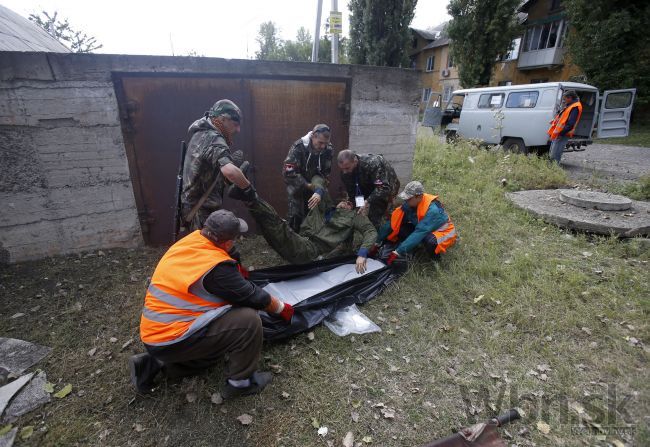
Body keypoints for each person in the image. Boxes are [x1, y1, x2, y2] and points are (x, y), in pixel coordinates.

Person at [129, 210, 293, 398]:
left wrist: (231, 253)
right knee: (248, 320)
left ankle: (153, 365)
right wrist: (281, 308)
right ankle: (240, 384)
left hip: (158, 332)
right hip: (172, 337)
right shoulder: (216, 268)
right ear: (226, 242)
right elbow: (253, 297)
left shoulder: (191, 241)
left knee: (217, 350)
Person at [229, 187, 376, 274]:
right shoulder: (324, 206)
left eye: (349, 202)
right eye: (343, 200)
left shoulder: (354, 217)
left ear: (352, 206)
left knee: (279, 226)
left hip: (309, 249)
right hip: (300, 239)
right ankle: (244, 195)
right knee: (268, 230)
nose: (345, 203)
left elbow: (370, 232)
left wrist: (362, 253)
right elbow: (320, 183)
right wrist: (318, 192)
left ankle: (248, 194)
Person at [181, 99, 257, 231]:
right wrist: (249, 190)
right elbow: (230, 171)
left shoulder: (202, 133)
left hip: (196, 209)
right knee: (207, 250)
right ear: (222, 119)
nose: (238, 130)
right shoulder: (213, 137)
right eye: (235, 124)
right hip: (201, 213)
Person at [373, 181, 457, 263]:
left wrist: (398, 252)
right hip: (423, 228)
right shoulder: (410, 204)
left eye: (408, 198)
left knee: (430, 241)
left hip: (443, 233)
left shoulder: (432, 211)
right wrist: (377, 242)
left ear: (419, 196)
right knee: (401, 229)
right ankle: (416, 246)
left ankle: (435, 260)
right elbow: (393, 222)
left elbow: (419, 232)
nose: (406, 201)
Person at [283, 124, 334, 232]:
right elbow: (288, 172)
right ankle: (293, 243)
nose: (323, 146)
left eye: (326, 143)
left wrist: (320, 187)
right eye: (320, 142)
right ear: (313, 136)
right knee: (295, 216)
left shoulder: (328, 149)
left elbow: (325, 172)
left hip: (316, 186)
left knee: (317, 214)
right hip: (297, 185)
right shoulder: (299, 147)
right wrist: (307, 185)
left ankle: (311, 242)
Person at [337, 150, 400, 229]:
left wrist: (367, 201)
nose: (344, 172)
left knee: (381, 215)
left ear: (355, 161)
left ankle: (386, 236)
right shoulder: (345, 172)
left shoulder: (372, 164)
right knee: (363, 212)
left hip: (386, 185)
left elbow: (384, 188)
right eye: (342, 169)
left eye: (347, 168)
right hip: (367, 185)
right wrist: (351, 204)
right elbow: (353, 193)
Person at [548, 90, 583, 163]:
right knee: (553, 153)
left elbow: (570, 124)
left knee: (555, 154)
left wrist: (561, 134)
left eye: (565, 99)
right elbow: (563, 118)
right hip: (559, 133)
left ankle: (554, 170)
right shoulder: (570, 105)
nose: (564, 100)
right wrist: (555, 121)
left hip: (562, 134)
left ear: (570, 98)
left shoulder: (575, 107)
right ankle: (552, 169)